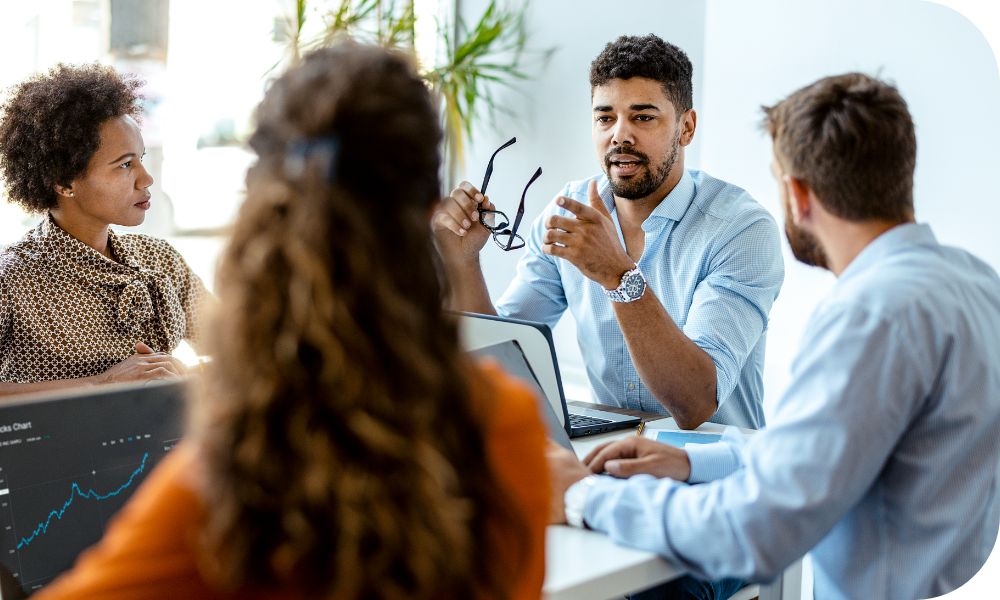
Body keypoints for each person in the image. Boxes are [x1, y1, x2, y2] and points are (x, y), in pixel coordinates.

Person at [34, 43, 549, 599]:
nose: (146, 181)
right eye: (124, 164)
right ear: (432, 206)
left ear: (262, 209)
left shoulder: (224, 494)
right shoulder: (506, 425)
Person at [547, 72, 1000, 599]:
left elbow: (758, 529)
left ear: (799, 195)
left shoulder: (872, 316)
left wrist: (583, 499)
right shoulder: (975, 282)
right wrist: (692, 460)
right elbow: (824, 455)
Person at [433, 34, 784, 431]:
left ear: (686, 128)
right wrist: (462, 260)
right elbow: (505, 359)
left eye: (643, 116)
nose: (619, 135)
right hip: (611, 459)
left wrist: (619, 276)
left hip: (717, 473)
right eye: (605, 118)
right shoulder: (566, 214)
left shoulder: (741, 230)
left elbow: (696, 403)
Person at [0, 63, 206, 396]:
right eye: (125, 164)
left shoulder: (160, 258)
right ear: (65, 181)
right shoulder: (12, 280)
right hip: (67, 449)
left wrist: (187, 378)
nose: (146, 178)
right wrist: (99, 384)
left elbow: (236, 346)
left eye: (140, 158)